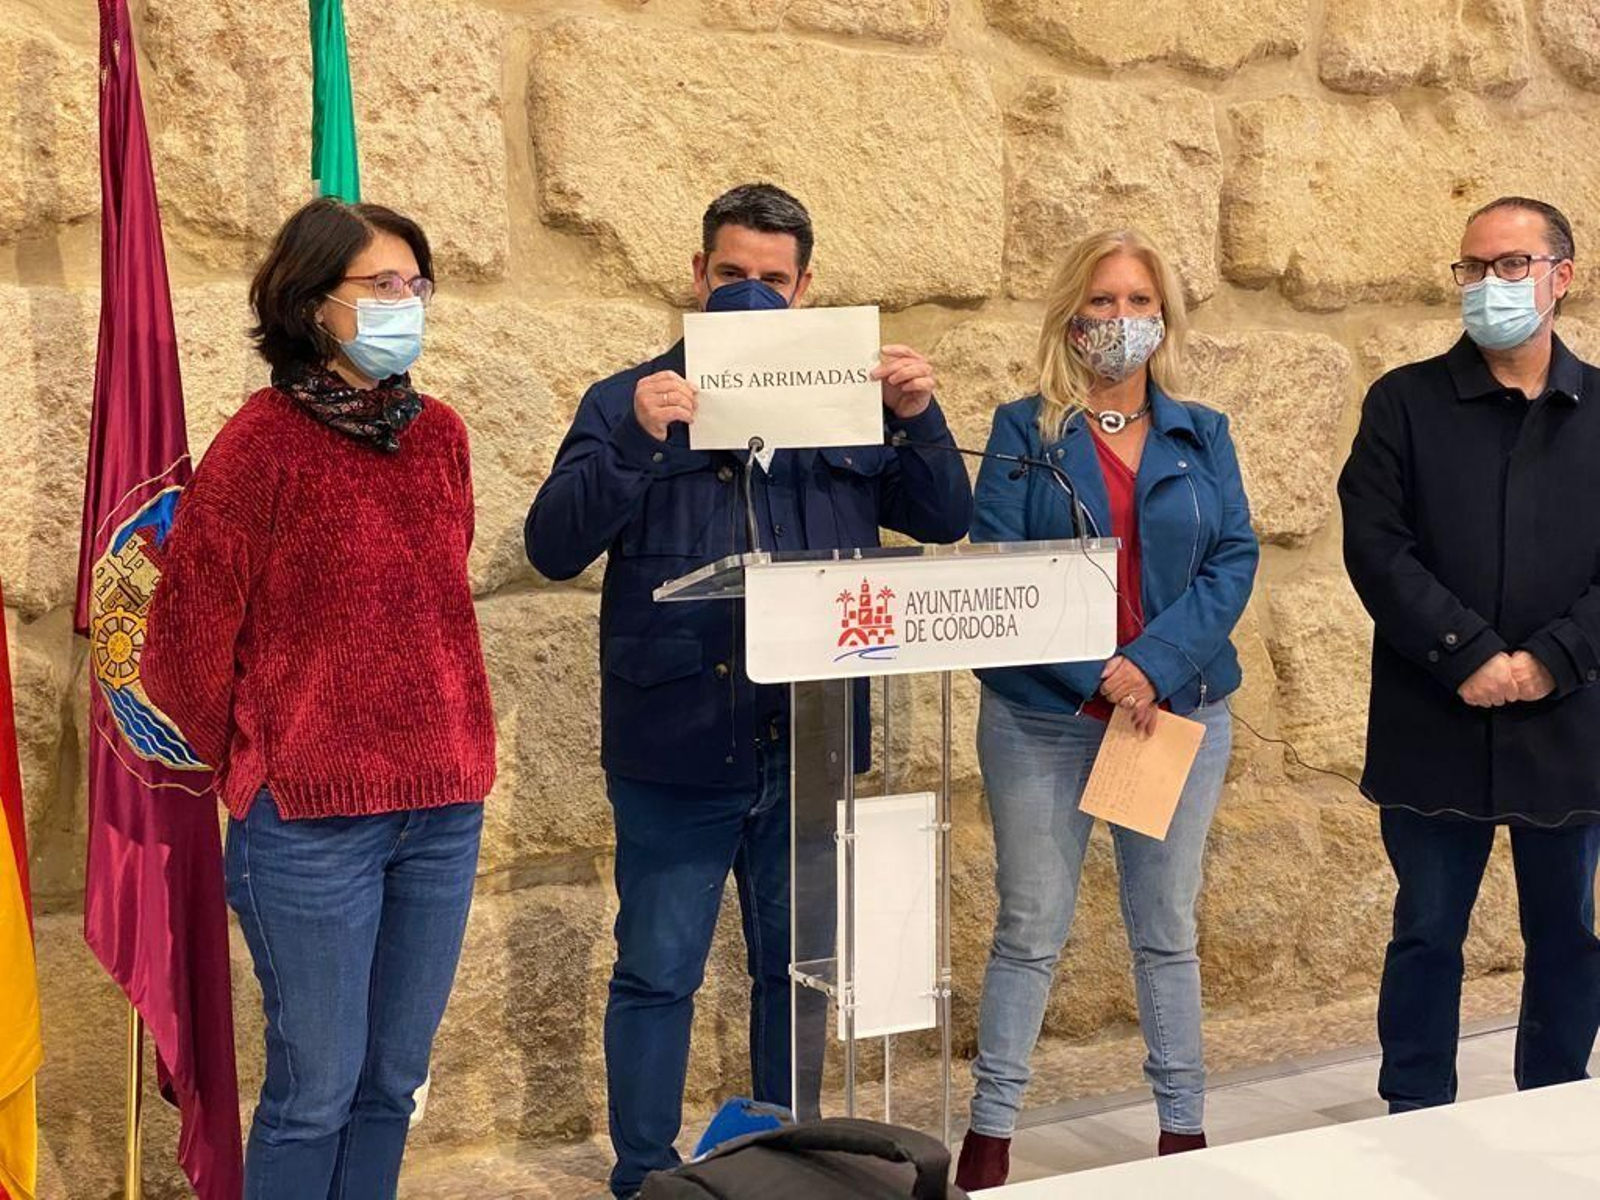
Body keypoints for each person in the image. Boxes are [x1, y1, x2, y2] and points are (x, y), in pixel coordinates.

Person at [524, 182, 973, 1199]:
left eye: (772, 281)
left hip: (808, 744)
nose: (750, 296)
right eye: (732, 277)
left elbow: (944, 519)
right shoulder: (626, 398)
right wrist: (638, 440)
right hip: (676, 743)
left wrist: (918, 414)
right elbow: (552, 546)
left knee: (797, 975)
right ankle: (645, 1174)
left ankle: (793, 1163)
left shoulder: (849, 402)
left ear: (805, 289)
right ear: (698, 277)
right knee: (657, 972)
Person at [141, 198, 496, 1199]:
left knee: (392, 1082)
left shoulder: (442, 438)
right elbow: (183, 648)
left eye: (415, 285)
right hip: (308, 827)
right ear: (310, 303)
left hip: (441, 809)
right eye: (380, 286)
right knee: (316, 1090)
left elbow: (432, 605)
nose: (405, 304)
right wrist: (266, 758)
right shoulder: (258, 448)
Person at [955, 229, 1258, 1191]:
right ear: (1069, 316)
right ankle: (991, 1136)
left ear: (1162, 316)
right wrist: (1100, 674)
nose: (1118, 320)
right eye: (1100, 302)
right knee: (1030, 925)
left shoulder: (1200, 431)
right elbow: (999, 568)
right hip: (1045, 717)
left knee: (1165, 927)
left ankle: (1182, 1132)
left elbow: (1233, 560)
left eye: (1136, 301)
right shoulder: (1022, 429)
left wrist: (1152, 668)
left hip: (1172, 716)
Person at [1338, 196, 1600, 1114]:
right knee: (1426, 930)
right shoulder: (1403, 402)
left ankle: (1557, 1103)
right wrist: (1468, 655)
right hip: (1433, 716)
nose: (1489, 286)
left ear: (1561, 276)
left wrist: (1552, 661)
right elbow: (1375, 543)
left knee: (1566, 931)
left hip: (1569, 722)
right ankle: (1413, 1110)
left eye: (1511, 266)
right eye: (1473, 269)